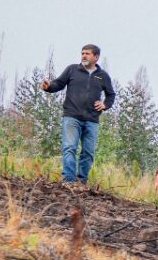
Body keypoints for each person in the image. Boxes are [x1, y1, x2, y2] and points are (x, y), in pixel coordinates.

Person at [41, 44, 116, 184]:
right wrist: (48, 87)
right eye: (82, 53)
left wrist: (105, 104)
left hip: (92, 119)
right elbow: (58, 83)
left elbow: (111, 95)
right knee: (70, 147)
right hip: (71, 116)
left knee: (88, 152)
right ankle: (68, 181)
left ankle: (81, 182)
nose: (83, 56)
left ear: (96, 57)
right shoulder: (72, 70)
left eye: (87, 53)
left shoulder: (103, 76)